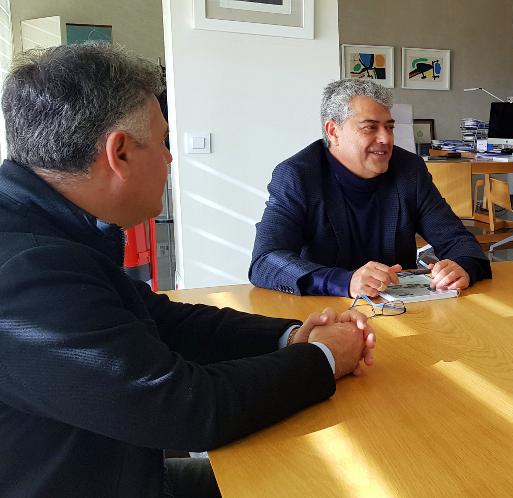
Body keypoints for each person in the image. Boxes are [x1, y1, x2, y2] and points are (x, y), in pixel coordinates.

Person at [0, 43, 375, 497]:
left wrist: (291, 337)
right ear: (118, 153)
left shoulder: (49, 230)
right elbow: (185, 411)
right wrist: (325, 358)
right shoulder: (29, 272)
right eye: (162, 142)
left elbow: (162, 321)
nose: (171, 158)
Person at [248, 79, 491, 298]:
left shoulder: (409, 170)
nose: (386, 139)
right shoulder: (297, 176)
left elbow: (457, 240)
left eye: (389, 127)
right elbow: (265, 261)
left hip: (402, 312)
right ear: (333, 132)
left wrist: (463, 267)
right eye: (370, 128)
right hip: (325, 312)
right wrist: (345, 281)